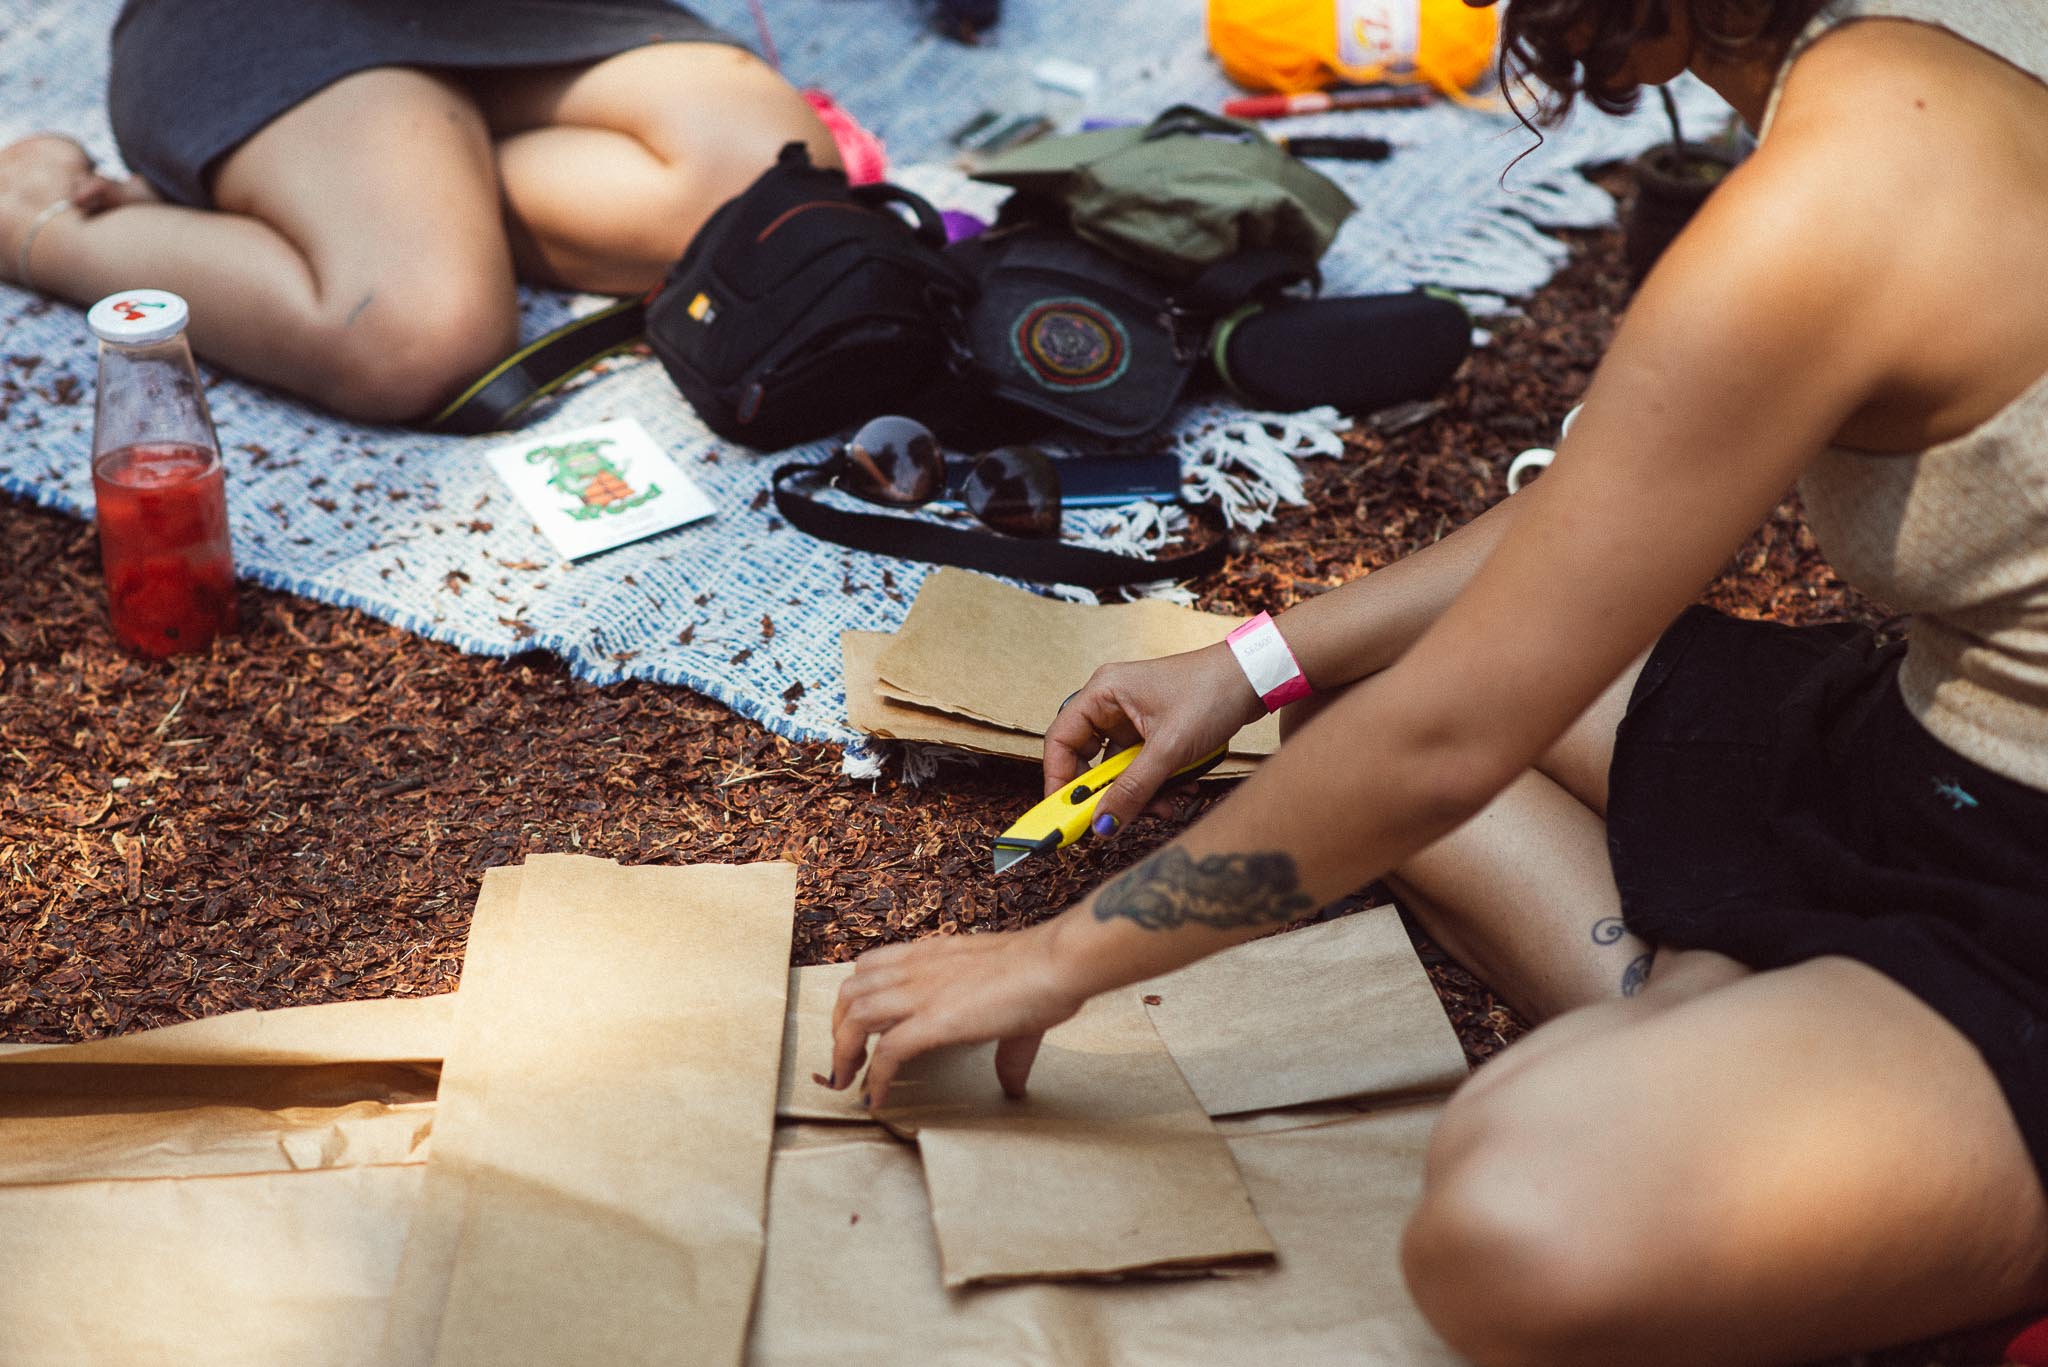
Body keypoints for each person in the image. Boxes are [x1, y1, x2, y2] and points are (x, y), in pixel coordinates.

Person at [825, 0, 2048, 1361]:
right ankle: (1753, 1022)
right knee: (1346, 704)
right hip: (1931, 745)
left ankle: (1743, 1035)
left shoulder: (1821, 211)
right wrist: (1249, 665)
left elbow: (1451, 738)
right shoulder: (1916, 63)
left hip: (2017, 894)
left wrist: (1058, 958)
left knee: (1510, 1217)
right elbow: (1599, 507)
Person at [0, 0, 839, 422]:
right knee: (416, 333)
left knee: (773, 186)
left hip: (516, 19)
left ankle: (351, 200)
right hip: (273, 22)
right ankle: (40, 220)